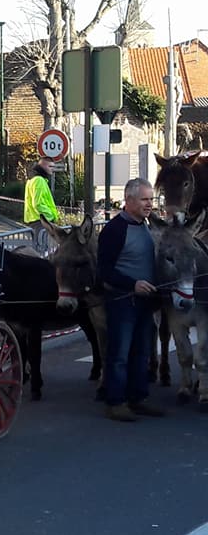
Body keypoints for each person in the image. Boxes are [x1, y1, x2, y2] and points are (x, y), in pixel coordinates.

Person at [98, 177, 165, 422]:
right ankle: (116, 402)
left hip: (145, 301)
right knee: (120, 354)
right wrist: (132, 284)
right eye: (145, 199)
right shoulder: (114, 230)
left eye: (151, 199)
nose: (150, 204)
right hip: (122, 301)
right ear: (128, 200)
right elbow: (104, 271)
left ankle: (138, 398)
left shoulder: (147, 226)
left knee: (142, 353)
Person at [24, 157, 60, 255]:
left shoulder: (32, 180)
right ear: (43, 166)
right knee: (42, 250)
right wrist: (50, 217)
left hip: (35, 220)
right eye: (50, 166)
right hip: (40, 222)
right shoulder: (39, 181)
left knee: (39, 249)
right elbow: (38, 204)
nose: (52, 169)